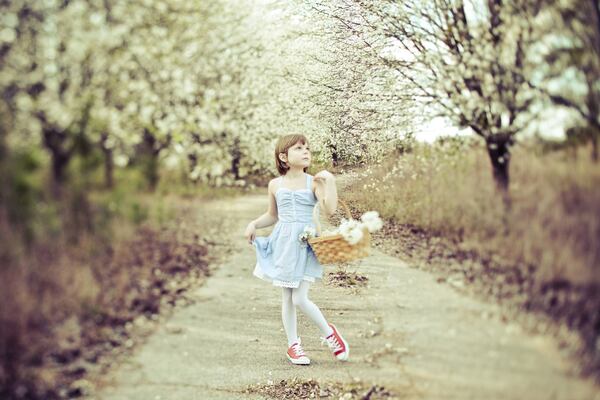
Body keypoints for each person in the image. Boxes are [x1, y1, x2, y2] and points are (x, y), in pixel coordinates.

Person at [244, 134, 349, 365]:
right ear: (284, 157)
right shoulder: (275, 184)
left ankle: (330, 334)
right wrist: (254, 224)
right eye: (299, 148)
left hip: (306, 243)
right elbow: (272, 215)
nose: (306, 152)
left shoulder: (313, 182)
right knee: (287, 297)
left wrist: (329, 182)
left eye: (308, 148)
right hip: (283, 243)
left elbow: (330, 210)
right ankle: (293, 345)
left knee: (300, 298)